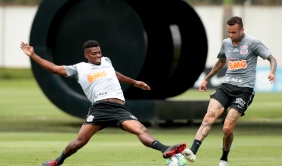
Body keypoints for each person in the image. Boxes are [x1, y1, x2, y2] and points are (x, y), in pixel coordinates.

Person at [20, 40, 187, 166]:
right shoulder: (79, 68)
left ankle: (165, 149)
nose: (98, 55)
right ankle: (57, 162)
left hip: (118, 108)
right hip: (100, 108)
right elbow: (54, 68)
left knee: (141, 129)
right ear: (86, 55)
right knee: (79, 142)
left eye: (99, 52)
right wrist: (33, 55)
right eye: (94, 53)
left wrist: (135, 82)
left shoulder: (106, 62)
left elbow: (115, 74)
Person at [182, 16, 277, 166]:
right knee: (209, 117)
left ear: (242, 30)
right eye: (229, 32)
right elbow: (221, 62)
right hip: (226, 87)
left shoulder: (253, 43)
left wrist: (272, 72)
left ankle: (224, 157)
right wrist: (206, 79)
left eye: (234, 32)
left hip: (244, 91)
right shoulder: (226, 43)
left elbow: (272, 59)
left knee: (227, 128)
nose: (231, 36)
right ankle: (193, 151)